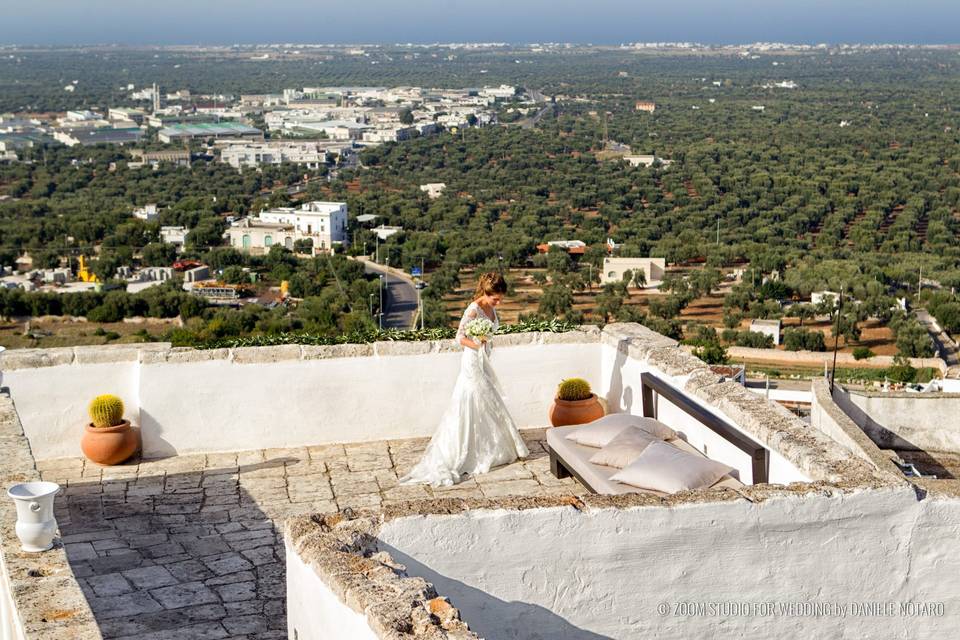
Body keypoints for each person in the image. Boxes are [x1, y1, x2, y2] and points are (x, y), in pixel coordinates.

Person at [400, 272, 529, 486]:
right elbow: (459, 337)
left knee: (485, 404)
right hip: (472, 362)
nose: (498, 302)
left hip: (484, 360)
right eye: (495, 298)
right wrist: (479, 343)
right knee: (478, 401)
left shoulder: (491, 307)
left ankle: (487, 446)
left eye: (500, 298)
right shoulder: (473, 309)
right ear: (485, 293)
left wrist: (485, 345)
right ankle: (469, 451)